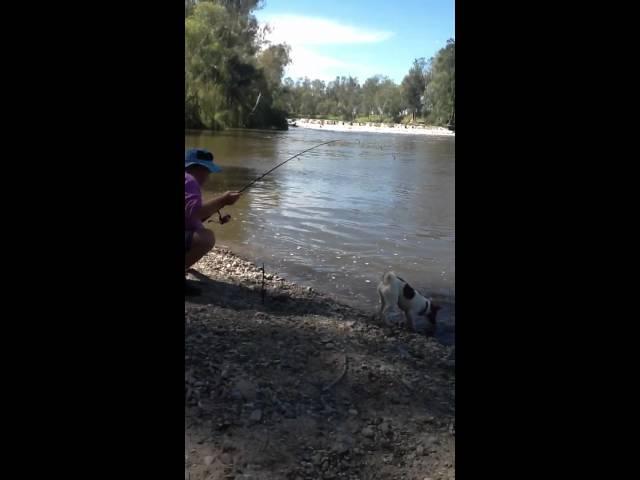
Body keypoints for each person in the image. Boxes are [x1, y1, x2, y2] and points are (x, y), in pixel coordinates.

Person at [185, 148, 241, 295]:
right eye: (207, 170)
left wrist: (220, 205)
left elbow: (189, 217)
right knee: (206, 238)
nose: (208, 176)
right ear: (196, 168)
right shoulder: (189, 180)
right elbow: (195, 213)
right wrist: (224, 199)